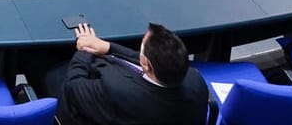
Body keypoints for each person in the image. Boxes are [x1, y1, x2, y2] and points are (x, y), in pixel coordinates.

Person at [55, 22, 208, 125]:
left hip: (79, 102)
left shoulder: (115, 91)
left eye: (141, 46)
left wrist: (84, 50)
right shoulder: (195, 80)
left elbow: (74, 86)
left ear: (146, 64)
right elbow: (138, 59)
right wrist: (108, 47)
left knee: (48, 68)